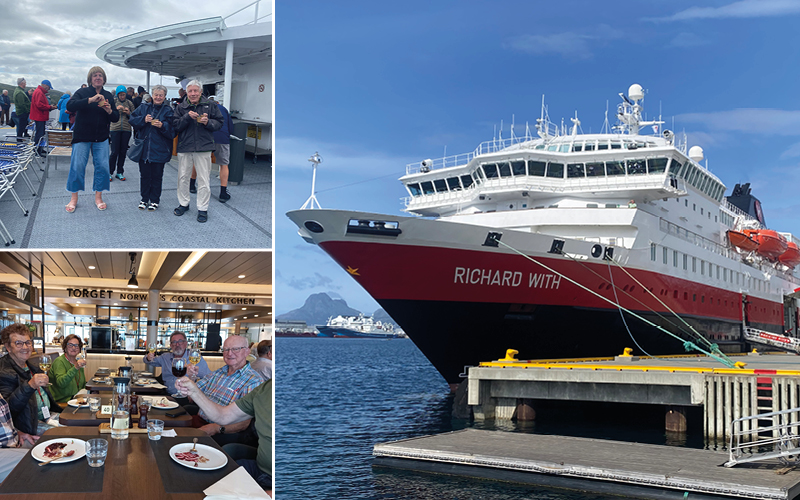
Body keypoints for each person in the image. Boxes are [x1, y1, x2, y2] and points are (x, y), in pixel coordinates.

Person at [176, 376, 271, 491]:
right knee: (195, 483)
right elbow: (224, 415)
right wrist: (194, 391)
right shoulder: (265, 389)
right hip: (259, 469)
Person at [184, 335, 262, 445]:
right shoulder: (218, 373)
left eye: (235, 349)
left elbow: (244, 423)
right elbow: (191, 397)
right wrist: (191, 377)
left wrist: (216, 428)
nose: (230, 353)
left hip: (221, 433)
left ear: (247, 351)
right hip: (198, 421)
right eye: (226, 349)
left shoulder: (253, 381)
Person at [64, 66, 119, 213]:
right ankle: (74, 198)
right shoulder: (82, 92)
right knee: (77, 167)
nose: (98, 77)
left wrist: (109, 110)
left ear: (104, 79)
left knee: (102, 167)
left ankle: (98, 197)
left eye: (100, 75)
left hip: (101, 138)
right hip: (82, 136)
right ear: (90, 79)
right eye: (95, 75)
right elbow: (70, 105)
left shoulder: (108, 95)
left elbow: (115, 118)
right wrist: (90, 100)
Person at [173, 80, 222, 223]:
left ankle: (202, 208)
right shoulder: (181, 107)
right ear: (186, 93)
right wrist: (187, 117)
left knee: (204, 180)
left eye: (196, 91)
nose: (193, 94)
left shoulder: (211, 105)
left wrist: (208, 122)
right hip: (185, 146)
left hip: (204, 147)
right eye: (190, 91)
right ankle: (183, 203)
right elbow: (176, 126)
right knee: (182, 177)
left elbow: (220, 123)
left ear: (200, 92)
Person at [0, 323, 60, 436]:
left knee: (80, 425)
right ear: (8, 347)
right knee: (65, 433)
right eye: (19, 343)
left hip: (46, 415)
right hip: (29, 423)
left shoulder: (32, 366)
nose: (25, 347)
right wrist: (30, 385)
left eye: (28, 342)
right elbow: (8, 411)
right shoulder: (3, 372)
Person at [129, 85, 175, 211]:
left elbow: (173, 131)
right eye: (156, 95)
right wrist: (143, 119)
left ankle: (155, 200)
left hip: (160, 149)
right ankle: (144, 199)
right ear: (152, 95)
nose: (158, 97)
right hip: (144, 150)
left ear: (165, 96)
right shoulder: (144, 107)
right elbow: (132, 120)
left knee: (157, 176)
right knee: (144, 176)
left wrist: (162, 125)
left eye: (161, 95)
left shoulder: (168, 110)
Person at [189, 96, 234, 203]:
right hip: (222, 138)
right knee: (224, 164)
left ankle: (191, 185)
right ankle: (223, 193)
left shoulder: (203, 108)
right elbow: (230, 127)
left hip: (206, 138)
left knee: (198, 161)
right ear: (218, 101)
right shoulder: (223, 109)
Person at [142, 331, 210, 399]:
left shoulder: (194, 358)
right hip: (167, 395)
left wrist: (196, 390)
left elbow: (209, 377)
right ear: (171, 345)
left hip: (186, 397)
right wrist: (148, 358)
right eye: (174, 342)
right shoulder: (165, 357)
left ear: (186, 343)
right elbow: (148, 361)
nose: (177, 345)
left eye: (180, 341)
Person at [0, 394, 39, 482]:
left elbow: (4, 422)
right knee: (37, 461)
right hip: (3, 449)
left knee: (49, 446)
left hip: (12, 441)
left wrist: (17, 432)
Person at [48, 334, 86, 404]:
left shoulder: (78, 361)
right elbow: (61, 383)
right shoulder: (59, 361)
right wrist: (75, 368)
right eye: (70, 345)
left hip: (76, 399)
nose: (74, 348)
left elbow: (81, 384)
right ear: (65, 347)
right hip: (63, 401)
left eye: (76, 345)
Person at [109, 85, 135, 181]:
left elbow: (135, 117)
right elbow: (109, 113)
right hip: (114, 128)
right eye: (120, 95)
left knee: (123, 151)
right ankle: (109, 171)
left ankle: (120, 172)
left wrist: (129, 113)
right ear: (117, 95)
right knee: (114, 151)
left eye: (123, 94)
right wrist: (116, 109)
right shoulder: (114, 102)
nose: (122, 97)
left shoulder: (129, 103)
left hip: (126, 129)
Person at [30, 80, 56, 156]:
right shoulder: (39, 92)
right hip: (39, 116)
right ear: (45, 86)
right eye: (48, 87)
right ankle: (37, 150)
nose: (48, 89)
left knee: (40, 133)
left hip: (39, 116)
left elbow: (39, 104)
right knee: (40, 133)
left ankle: (39, 149)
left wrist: (49, 107)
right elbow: (39, 105)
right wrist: (50, 107)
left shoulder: (38, 91)